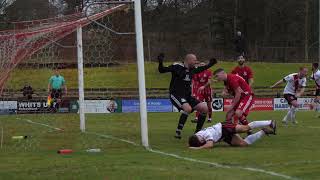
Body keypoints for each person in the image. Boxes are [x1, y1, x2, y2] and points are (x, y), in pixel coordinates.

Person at [158, 53, 217, 139]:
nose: (196, 62)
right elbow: (162, 70)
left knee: (204, 108)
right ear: (188, 60)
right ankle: (178, 131)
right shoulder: (177, 66)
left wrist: (211, 64)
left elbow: (202, 68)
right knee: (188, 109)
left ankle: (198, 132)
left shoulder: (193, 69)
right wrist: (160, 62)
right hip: (176, 94)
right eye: (194, 60)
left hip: (187, 96)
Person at [188, 120, 276, 149]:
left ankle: (270, 122)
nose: (203, 141)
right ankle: (264, 131)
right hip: (223, 136)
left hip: (224, 127)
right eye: (201, 142)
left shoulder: (205, 134)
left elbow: (210, 145)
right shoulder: (197, 136)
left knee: (245, 128)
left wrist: (198, 148)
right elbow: (194, 142)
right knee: (243, 144)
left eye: (201, 141)